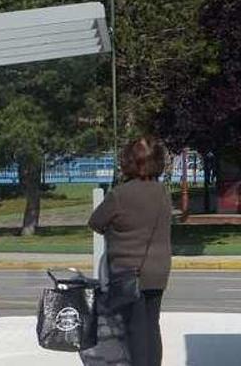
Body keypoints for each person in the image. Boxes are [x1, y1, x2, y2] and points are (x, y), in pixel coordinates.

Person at [88, 137, 173, 366]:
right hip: (158, 271)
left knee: (135, 329)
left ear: (130, 162)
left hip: (127, 271)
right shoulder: (163, 193)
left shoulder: (120, 195)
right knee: (151, 325)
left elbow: (95, 222)